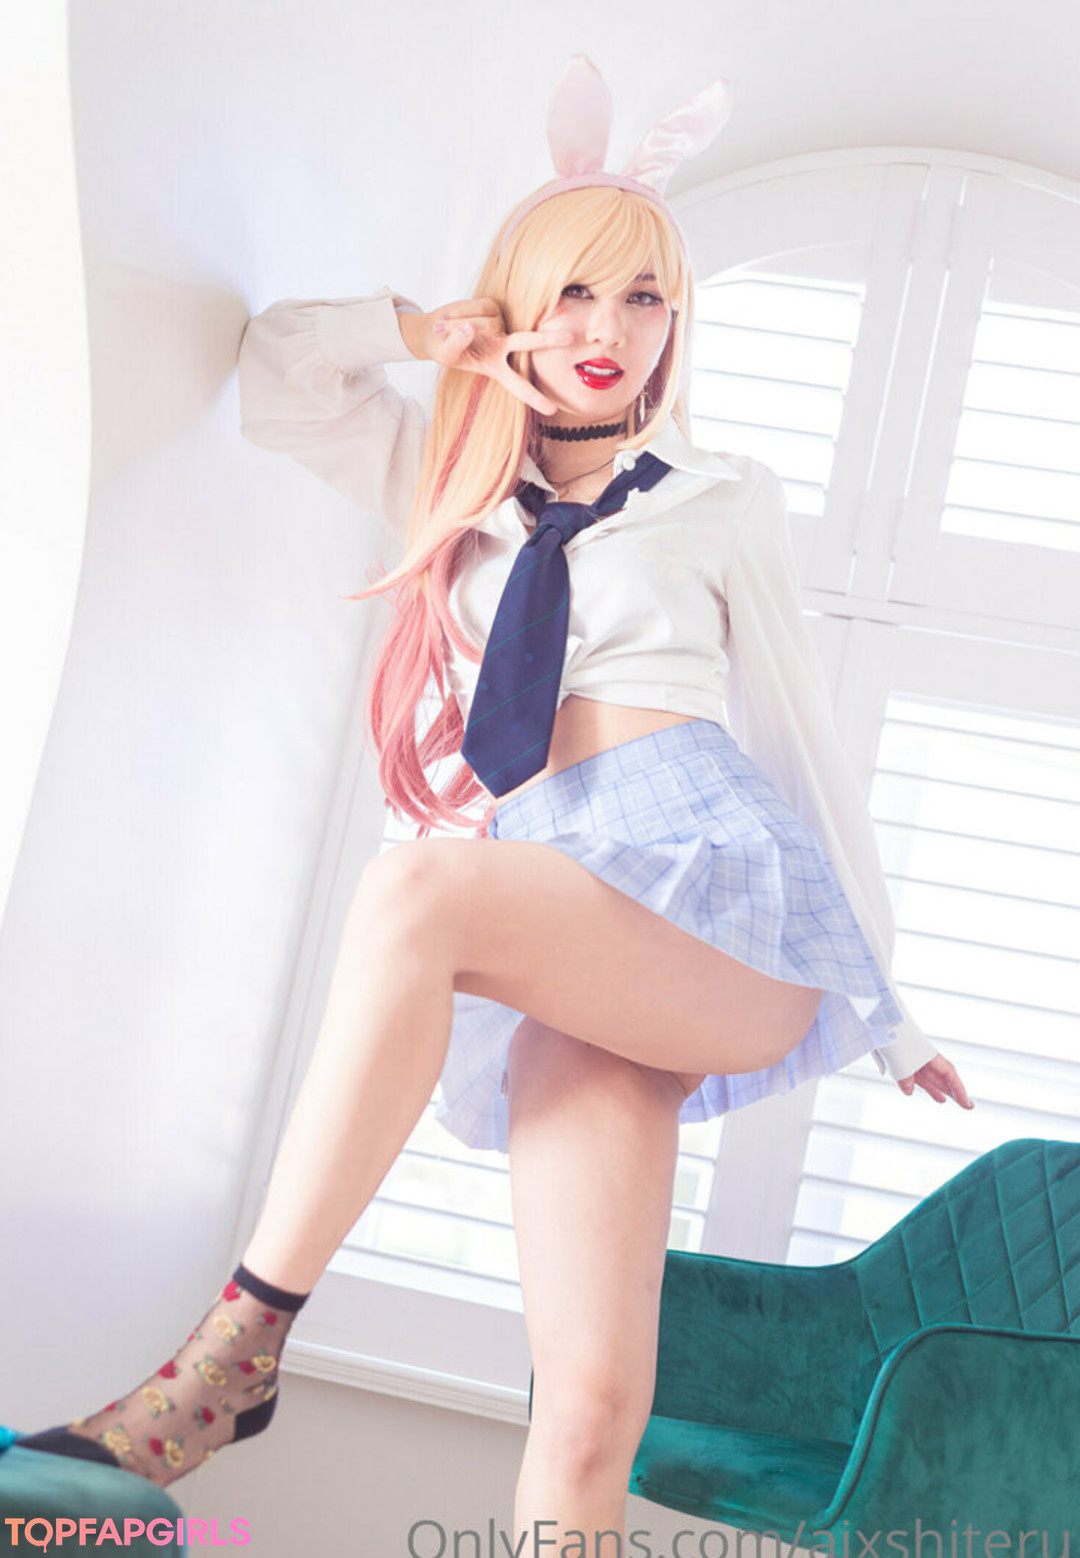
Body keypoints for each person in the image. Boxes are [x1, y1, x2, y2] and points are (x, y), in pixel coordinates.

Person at [19, 55, 971, 1551]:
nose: (608, 330)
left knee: (418, 886)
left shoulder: (722, 495)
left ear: (675, 323)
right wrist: (424, 333)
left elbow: (800, 739)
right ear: (521, 302)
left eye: (643, 298)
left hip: (719, 904)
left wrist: (891, 1010)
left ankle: (233, 1352)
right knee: (588, 1408)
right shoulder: (447, 474)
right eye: (575, 292)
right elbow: (279, 376)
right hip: (570, 910)